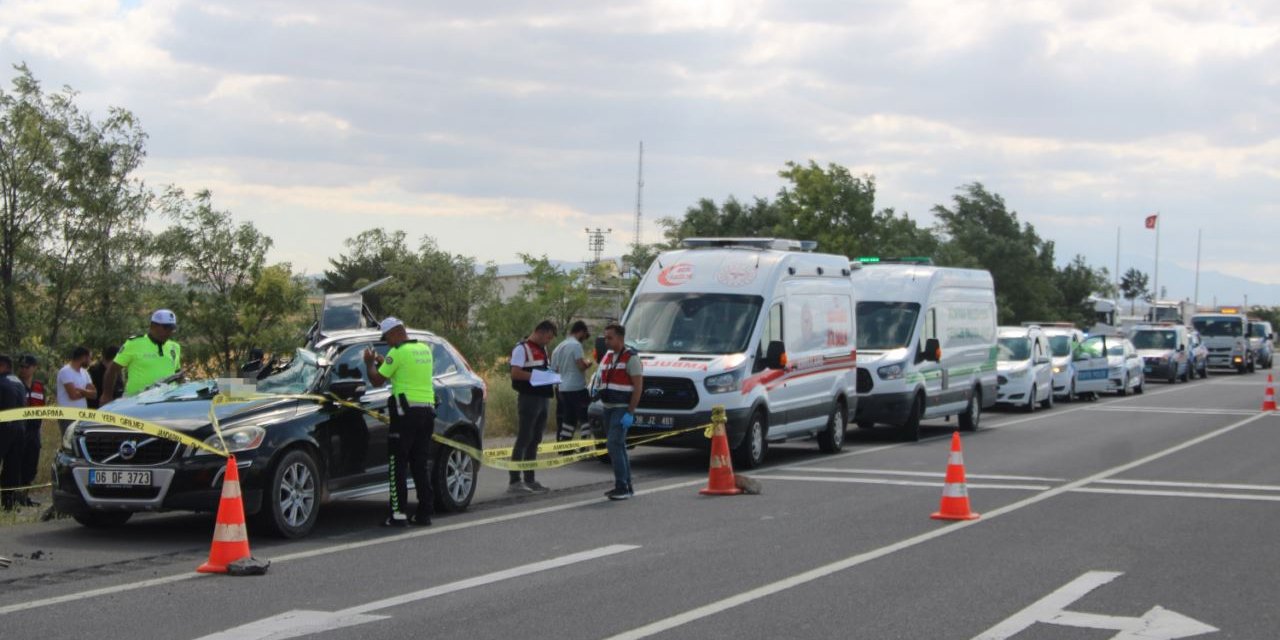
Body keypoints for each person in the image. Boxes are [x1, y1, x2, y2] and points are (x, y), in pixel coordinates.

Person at [364, 317, 435, 527]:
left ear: (395, 332)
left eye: (386, 337)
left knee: (398, 465)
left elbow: (377, 380)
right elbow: (402, 369)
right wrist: (381, 360)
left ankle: (398, 514)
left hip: (405, 415)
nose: (387, 342)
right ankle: (424, 514)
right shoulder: (423, 349)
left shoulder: (397, 353)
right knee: (420, 464)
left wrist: (369, 363)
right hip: (427, 412)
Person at [507, 320, 557, 494]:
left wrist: (551, 376)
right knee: (524, 437)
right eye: (548, 337)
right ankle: (515, 481)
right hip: (529, 398)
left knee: (535, 439)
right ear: (540, 332)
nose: (548, 341)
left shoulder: (542, 349)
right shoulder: (522, 349)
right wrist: (539, 377)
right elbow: (515, 373)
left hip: (543, 397)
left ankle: (530, 479)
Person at [598, 323, 644, 500]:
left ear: (620, 338)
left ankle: (622, 486)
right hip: (608, 407)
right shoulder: (609, 357)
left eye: (610, 338)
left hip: (621, 408)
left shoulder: (631, 358)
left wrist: (630, 412)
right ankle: (626, 485)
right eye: (605, 338)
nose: (607, 341)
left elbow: (638, 387)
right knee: (619, 446)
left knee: (614, 445)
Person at [100, 309, 182, 404]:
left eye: (172, 329)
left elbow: (177, 372)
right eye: (166, 328)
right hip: (136, 403)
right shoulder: (134, 343)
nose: (169, 332)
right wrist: (106, 395)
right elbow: (113, 370)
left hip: (166, 403)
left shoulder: (175, 347)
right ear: (153, 326)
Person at [550, 321, 593, 442]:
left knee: (568, 418)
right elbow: (580, 365)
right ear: (581, 332)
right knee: (585, 417)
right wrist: (588, 363)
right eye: (584, 337)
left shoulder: (558, 347)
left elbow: (554, 370)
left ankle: (565, 447)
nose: (583, 340)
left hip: (562, 389)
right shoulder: (576, 345)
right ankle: (585, 446)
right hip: (577, 387)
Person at [15, 355, 48, 507]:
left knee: (31, 465)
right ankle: (14, 498)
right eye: (21, 367)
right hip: (19, 430)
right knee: (17, 464)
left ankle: (25, 496)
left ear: (34, 368)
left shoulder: (39, 387)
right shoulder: (15, 384)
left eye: (26, 367)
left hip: (34, 431)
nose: (23, 370)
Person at [0, 355, 30, 510]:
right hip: (19, 429)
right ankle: (8, 503)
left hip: (4, 428)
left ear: (3, 366)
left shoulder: (1, 382)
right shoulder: (19, 382)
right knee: (12, 468)